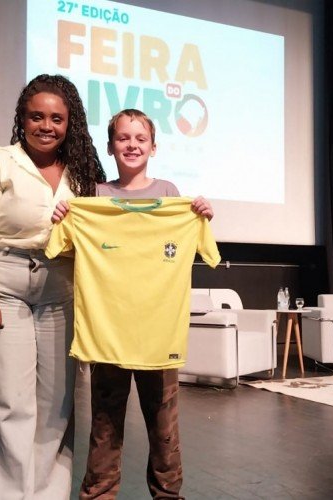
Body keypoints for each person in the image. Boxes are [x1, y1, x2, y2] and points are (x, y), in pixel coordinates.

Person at [50, 109, 215, 499]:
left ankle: (169, 495)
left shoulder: (172, 195)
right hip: (110, 335)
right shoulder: (95, 198)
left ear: (153, 147)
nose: (132, 145)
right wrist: (63, 218)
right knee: (105, 426)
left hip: (158, 338)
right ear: (110, 146)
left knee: (164, 429)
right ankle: (99, 494)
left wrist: (202, 218)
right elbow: (66, 249)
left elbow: (193, 251)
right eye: (123, 138)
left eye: (140, 138)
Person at [0, 74, 106, 499]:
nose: (46, 125)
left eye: (56, 118)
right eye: (36, 116)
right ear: (22, 119)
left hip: (62, 292)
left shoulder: (83, 172)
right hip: (5, 289)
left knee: (57, 408)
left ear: (69, 123)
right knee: (9, 404)